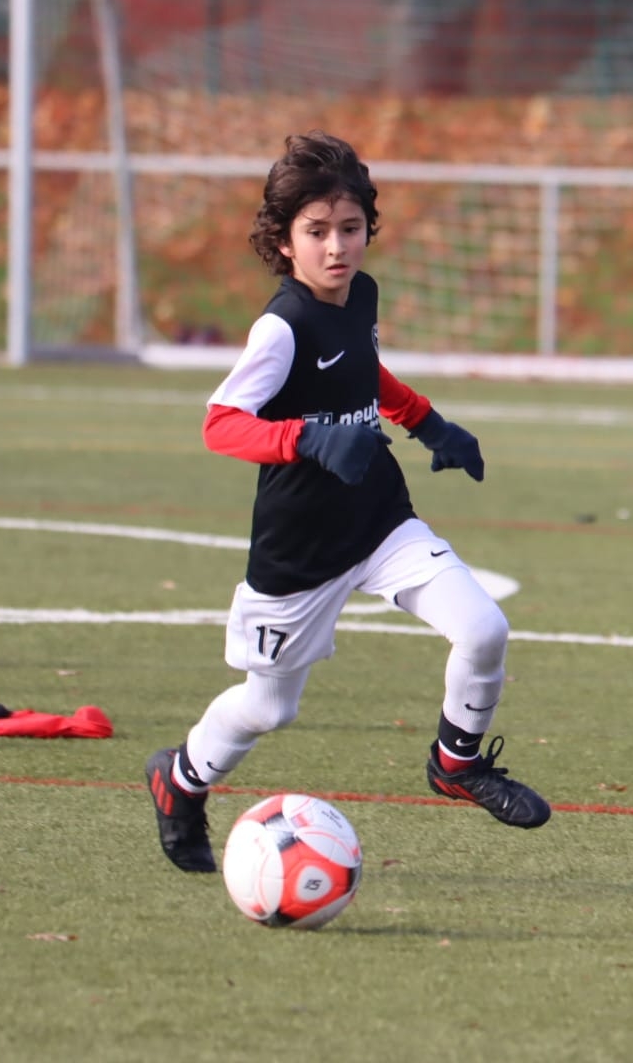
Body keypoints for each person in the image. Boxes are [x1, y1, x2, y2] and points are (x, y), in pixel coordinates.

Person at [144, 131, 551, 874]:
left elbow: (363, 367)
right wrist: (308, 438)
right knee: (269, 708)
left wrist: (427, 422)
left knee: (483, 628)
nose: (337, 247)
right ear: (284, 241)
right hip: (301, 547)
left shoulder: (361, 294)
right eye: (316, 231)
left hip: (378, 519)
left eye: (351, 228)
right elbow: (220, 424)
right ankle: (181, 779)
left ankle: (456, 764)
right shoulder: (281, 327)